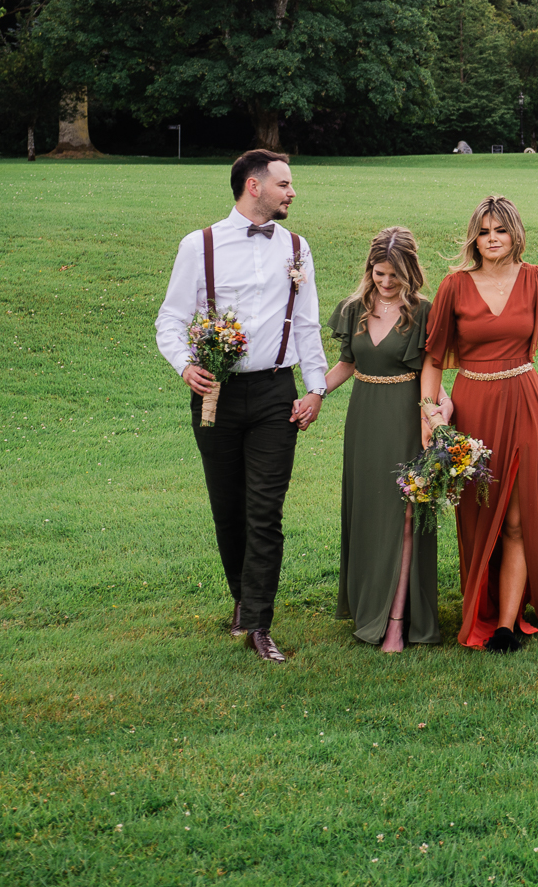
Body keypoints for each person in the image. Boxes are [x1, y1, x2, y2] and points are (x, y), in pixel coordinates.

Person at [154, 149, 328, 663]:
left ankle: (257, 622)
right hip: (216, 395)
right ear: (254, 186)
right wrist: (187, 365)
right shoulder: (199, 245)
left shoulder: (297, 247)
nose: (292, 192)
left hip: (277, 393)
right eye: (284, 183)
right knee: (228, 510)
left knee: (265, 512)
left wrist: (314, 388)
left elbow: (309, 322)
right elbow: (170, 319)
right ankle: (240, 598)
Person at [421, 197, 538, 652]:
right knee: (477, 515)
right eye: (485, 231)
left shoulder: (535, 279)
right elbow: (433, 358)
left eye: (501, 231)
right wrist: (429, 412)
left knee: (516, 517)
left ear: (515, 235)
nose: (493, 239)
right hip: (473, 409)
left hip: (525, 403)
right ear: (475, 237)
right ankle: (482, 607)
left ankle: (507, 624)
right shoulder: (455, 286)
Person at [324, 228, 436, 648]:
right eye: (379, 273)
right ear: (369, 268)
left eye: (394, 275)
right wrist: (313, 394)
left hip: (407, 417)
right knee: (369, 511)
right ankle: (368, 602)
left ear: (410, 272)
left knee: (405, 514)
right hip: (364, 419)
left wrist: (434, 414)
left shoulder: (423, 311)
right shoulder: (355, 308)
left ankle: (396, 619)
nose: (386, 282)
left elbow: (432, 369)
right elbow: (346, 365)